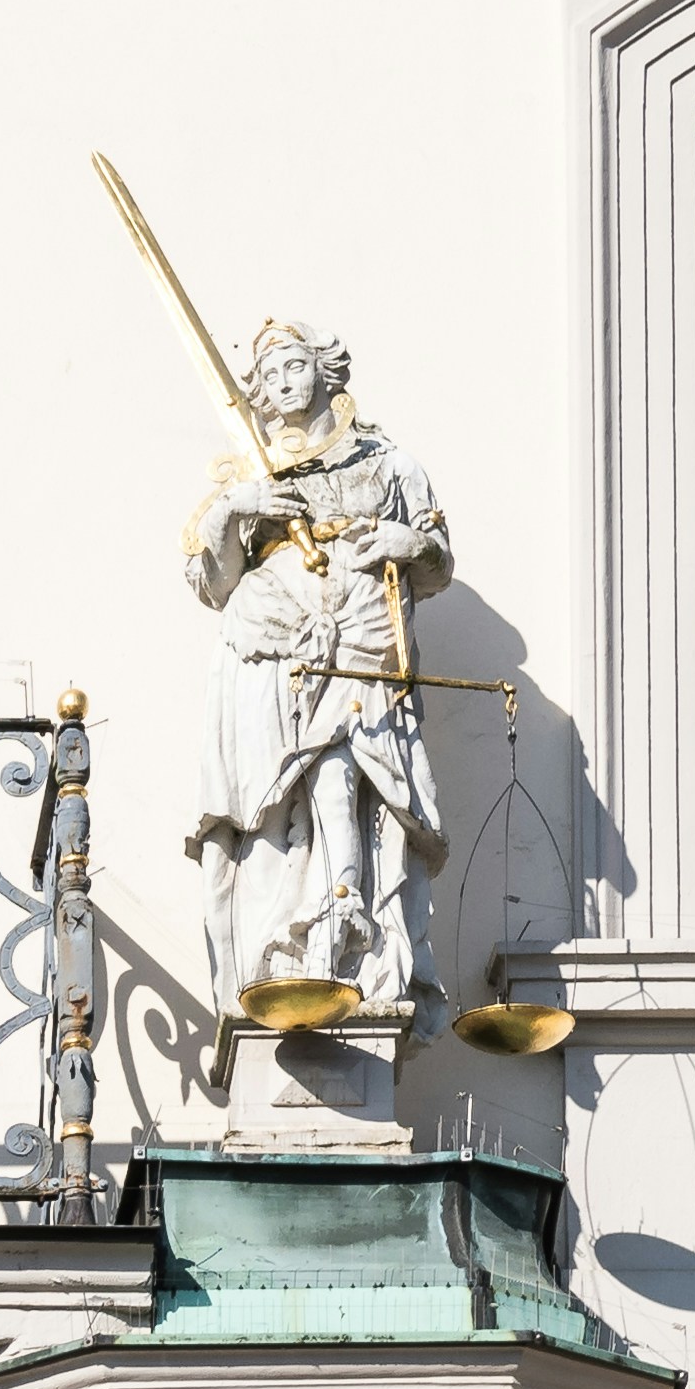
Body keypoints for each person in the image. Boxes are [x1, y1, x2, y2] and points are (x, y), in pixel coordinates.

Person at [179, 323, 448, 1030]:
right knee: (268, 800)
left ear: (325, 373)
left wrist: (405, 540)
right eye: (268, 377)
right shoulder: (246, 473)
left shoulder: (387, 461)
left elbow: (435, 556)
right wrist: (239, 508)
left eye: (294, 366)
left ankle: (345, 916)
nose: (283, 383)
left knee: (351, 766)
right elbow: (210, 583)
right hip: (264, 648)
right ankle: (280, 947)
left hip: (359, 633)